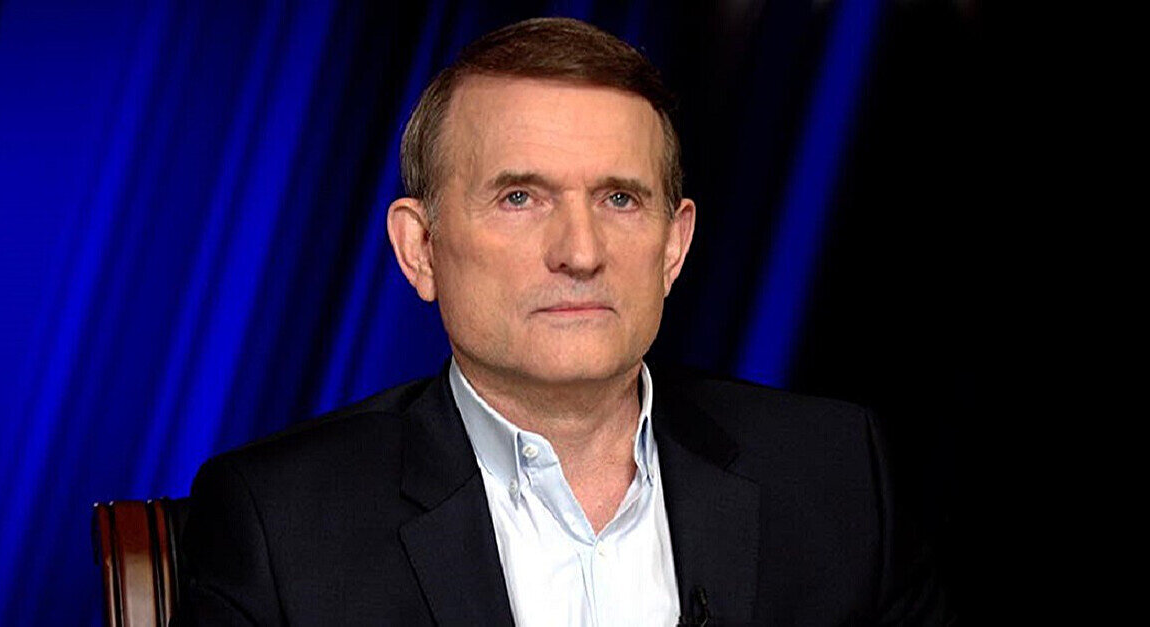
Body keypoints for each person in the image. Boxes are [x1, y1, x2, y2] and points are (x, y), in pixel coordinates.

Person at [178, 17, 947, 626]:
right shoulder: (280, 520)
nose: (580, 252)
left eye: (619, 198)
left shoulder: (835, 474)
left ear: (673, 245)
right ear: (420, 248)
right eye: (520, 197)